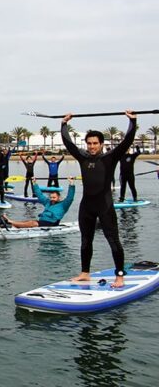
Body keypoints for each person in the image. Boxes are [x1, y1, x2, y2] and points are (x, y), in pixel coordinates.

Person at [62, 110, 136, 288]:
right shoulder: (83, 157)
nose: (92, 146)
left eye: (95, 143)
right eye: (89, 143)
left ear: (101, 144)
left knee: (113, 240)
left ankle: (119, 276)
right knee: (85, 241)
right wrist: (64, 124)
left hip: (104, 205)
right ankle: (85, 273)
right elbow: (68, 142)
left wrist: (132, 122)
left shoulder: (110, 157)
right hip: (86, 206)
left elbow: (127, 141)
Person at [4, 177, 76, 228]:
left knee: (32, 223)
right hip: (42, 221)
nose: (52, 199)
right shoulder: (48, 202)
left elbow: (70, 197)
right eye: (51, 197)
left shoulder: (63, 205)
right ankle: (13, 224)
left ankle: (10, 222)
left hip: (52, 223)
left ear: (58, 197)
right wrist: (34, 183)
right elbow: (40, 195)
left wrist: (71, 184)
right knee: (28, 221)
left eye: (54, 197)